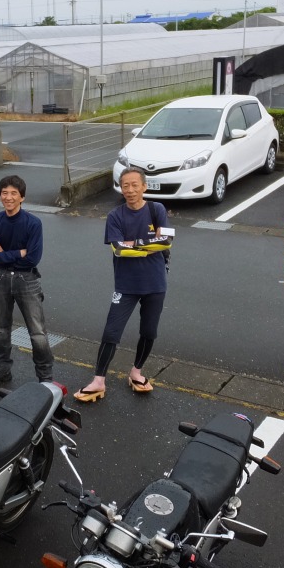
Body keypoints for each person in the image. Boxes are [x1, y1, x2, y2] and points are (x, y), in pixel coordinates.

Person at [73, 168, 171, 403]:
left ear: (144, 186)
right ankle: (98, 380)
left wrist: (134, 244)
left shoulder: (156, 209)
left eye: (135, 185)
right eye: (125, 185)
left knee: (149, 332)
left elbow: (166, 242)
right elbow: (118, 249)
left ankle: (136, 372)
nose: (130, 190)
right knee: (111, 332)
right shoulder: (115, 216)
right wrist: (149, 244)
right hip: (126, 284)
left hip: (155, 282)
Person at [0, 175, 54, 387]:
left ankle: (45, 377)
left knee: (37, 332)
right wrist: (17, 253)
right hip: (2, 277)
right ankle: (2, 370)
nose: (8, 197)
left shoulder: (33, 223)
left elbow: (32, 258)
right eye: (4, 193)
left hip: (27, 279)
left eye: (14, 193)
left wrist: (3, 254)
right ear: (0, 196)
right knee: (0, 329)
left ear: (22, 197)